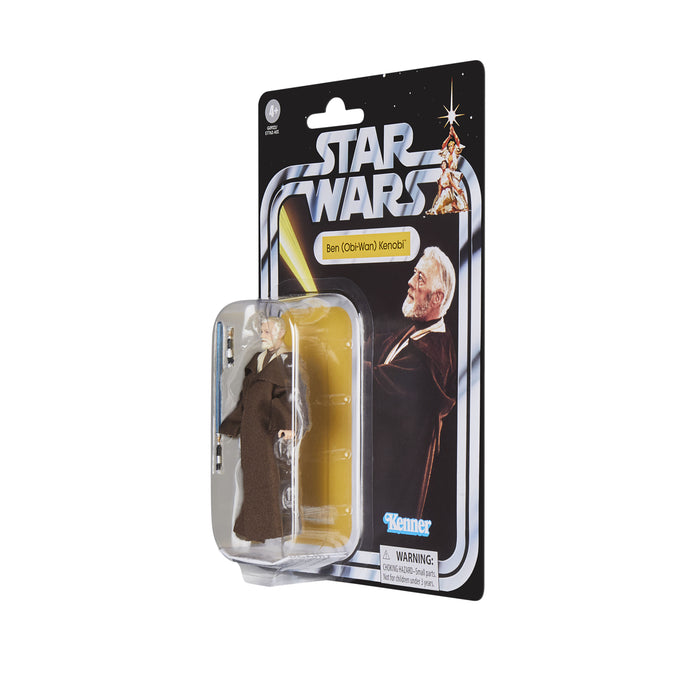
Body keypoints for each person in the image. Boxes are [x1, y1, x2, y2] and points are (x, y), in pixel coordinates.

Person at [372, 247, 457, 524]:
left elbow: (375, 383)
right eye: (414, 273)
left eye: (420, 279)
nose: (410, 282)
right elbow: (377, 344)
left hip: (393, 496)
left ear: (437, 298)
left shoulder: (430, 358)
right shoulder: (418, 330)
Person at [219, 315, 306, 542]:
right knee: (252, 479)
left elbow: (292, 397)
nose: (262, 336)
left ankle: (272, 529)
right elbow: (245, 396)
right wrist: (233, 423)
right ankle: (254, 529)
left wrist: (290, 426)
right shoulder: (258, 359)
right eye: (262, 331)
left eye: (267, 331)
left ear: (281, 333)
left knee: (269, 479)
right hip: (252, 431)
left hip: (270, 431)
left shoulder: (288, 361)